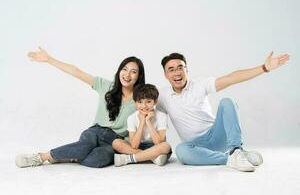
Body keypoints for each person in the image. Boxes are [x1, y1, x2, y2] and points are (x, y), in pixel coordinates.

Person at [157, 52, 289, 172]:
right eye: (171, 69)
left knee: (227, 102)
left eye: (180, 67)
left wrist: (264, 68)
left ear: (186, 70)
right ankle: (231, 158)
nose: (177, 73)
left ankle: (236, 150)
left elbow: (231, 78)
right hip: (196, 147)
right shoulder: (162, 96)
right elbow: (139, 100)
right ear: (166, 75)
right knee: (181, 151)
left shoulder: (200, 85)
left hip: (217, 136)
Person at [15, 47, 145, 168]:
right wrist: (49, 59)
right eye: (124, 69)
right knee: (85, 146)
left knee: (99, 159)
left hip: (115, 140)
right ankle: (41, 157)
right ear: (119, 71)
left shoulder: (140, 100)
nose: (127, 75)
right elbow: (76, 72)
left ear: (138, 77)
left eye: (133, 72)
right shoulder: (105, 86)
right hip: (95, 131)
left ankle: (69, 156)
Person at [113, 84, 171, 167]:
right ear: (135, 103)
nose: (144, 106)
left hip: (156, 148)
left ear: (155, 101)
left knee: (166, 146)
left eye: (148, 101)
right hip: (138, 147)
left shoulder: (162, 116)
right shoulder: (131, 118)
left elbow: (159, 143)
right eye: (140, 102)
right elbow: (134, 145)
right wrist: (142, 122)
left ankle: (128, 159)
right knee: (116, 143)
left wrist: (148, 121)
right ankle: (153, 158)